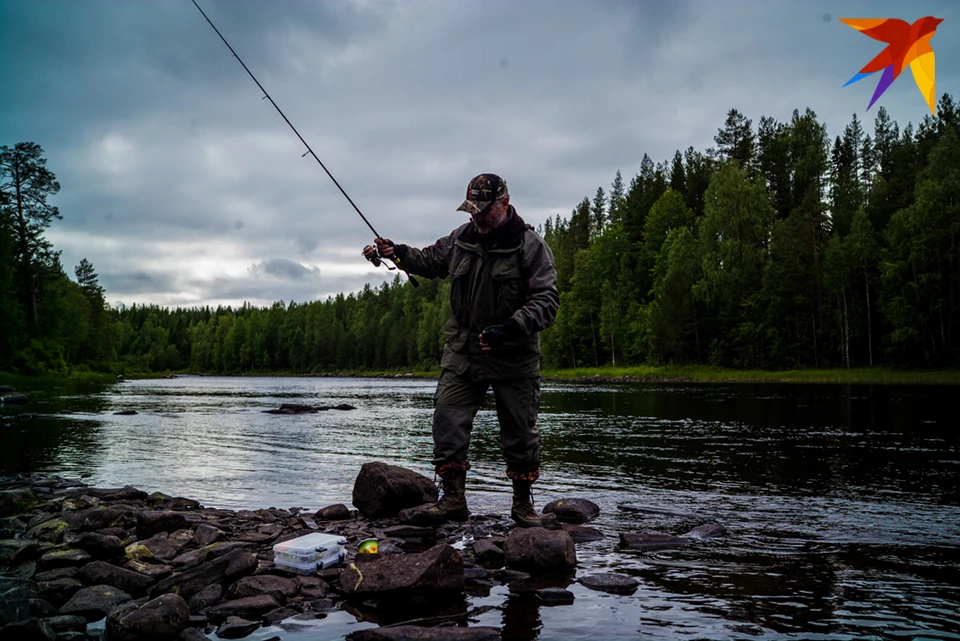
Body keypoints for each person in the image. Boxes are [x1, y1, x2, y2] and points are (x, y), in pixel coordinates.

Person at [374, 173, 559, 527]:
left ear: (503, 204)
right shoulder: (462, 238)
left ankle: (522, 506)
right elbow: (429, 260)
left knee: (520, 432)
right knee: (447, 420)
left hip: (513, 354)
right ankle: (453, 500)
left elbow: (548, 300)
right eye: (470, 210)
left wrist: (510, 327)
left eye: (482, 211)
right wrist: (397, 253)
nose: (475, 217)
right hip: (463, 350)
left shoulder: (530, 245)